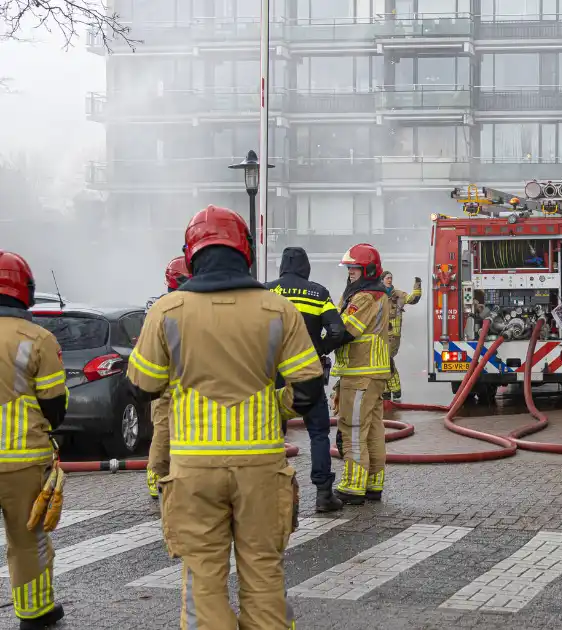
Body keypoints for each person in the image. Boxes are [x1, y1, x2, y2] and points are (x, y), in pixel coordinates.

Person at [125, 205, 325, 629]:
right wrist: (273, 408)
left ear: (192, 253)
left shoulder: (166, 311)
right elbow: (308, 389)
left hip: (193, 468)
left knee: (203, 580)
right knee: (264, 574)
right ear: (245, 252)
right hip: (261, 466)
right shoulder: (278, 310)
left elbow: (141, 387)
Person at [0, 250, 69, 629]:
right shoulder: (37, 338)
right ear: (24, 289)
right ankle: (34, 614)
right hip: (22, 461)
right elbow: (55, 405)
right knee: (28, 541)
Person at [265, 246, 347, 513]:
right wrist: (318, 350)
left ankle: (271, 493)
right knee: (318, 433)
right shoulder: (318, 292)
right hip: (307, 374)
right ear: (306, 266)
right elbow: (337, 330)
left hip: (273, 374)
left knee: (272, 433)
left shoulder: (266, 291)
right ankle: (324, 494)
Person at [330, 244, 391, 504]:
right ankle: (373, 482)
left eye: (354, 267)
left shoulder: (365, 297)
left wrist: (323, 337)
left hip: (360, 373)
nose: (350, 272)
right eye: (349, 268)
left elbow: (345, 331)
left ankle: (353, 485)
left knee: (352, 428)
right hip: (372, 373)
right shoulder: (376, 294)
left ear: (367, 269)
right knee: (373, 428)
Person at [145, 256, 190, 501]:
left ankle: (159, 474)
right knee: (166, 429)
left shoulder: (158, 308)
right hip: (186, 378)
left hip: (165, 380)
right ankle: (161, 474)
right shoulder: (191, 306)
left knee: (163, 427)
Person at [379, 270, 421, 402]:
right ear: (381, 280)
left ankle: (395, 389)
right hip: (379, 335)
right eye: (387, 278)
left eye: (391, 278)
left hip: (393, 335)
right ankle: (386, 391)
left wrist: (417, 286)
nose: (389, 280)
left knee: (386, 360)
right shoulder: (377, 295)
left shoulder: (398, 294)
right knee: (381, 362)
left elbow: (412, 299)